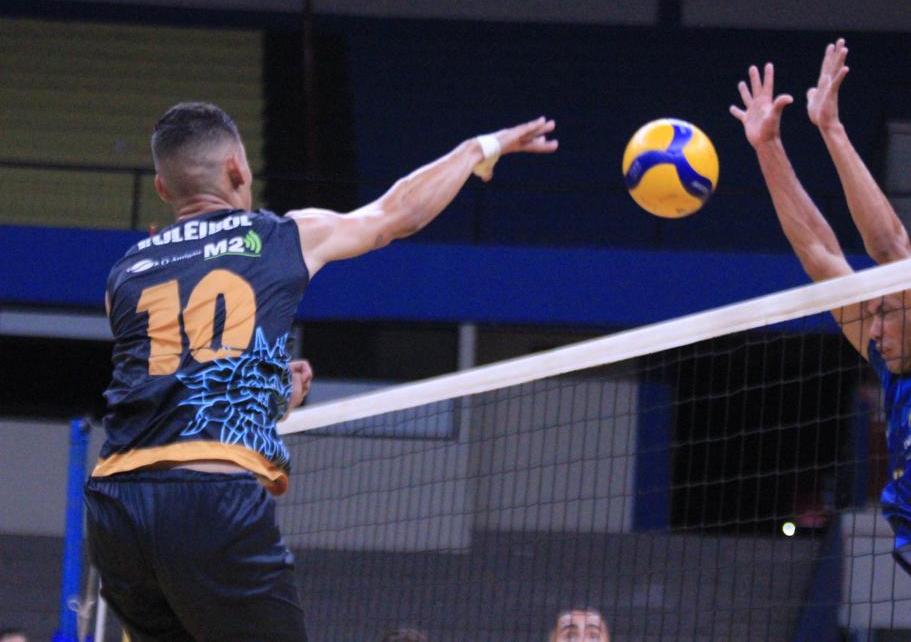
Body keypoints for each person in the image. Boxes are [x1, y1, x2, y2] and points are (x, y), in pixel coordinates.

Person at [84, 102, 557, 641]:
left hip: (115, 509)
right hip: (208, 503)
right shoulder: (282, 235)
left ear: (164, 191)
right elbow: (395, 214)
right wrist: (479, 149)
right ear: (239, 169)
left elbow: (170, 386)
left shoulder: (124, 274)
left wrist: (273, 395)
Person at [730, 39, 911, 639]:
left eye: (889, 313)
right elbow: (820, 256)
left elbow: (891, 251)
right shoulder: (897, 376)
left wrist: (832, 130)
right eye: (875, 315)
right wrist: (770, 147)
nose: (875, 328)